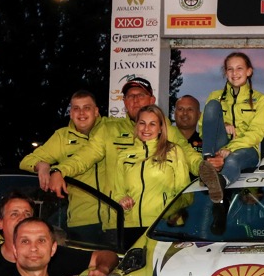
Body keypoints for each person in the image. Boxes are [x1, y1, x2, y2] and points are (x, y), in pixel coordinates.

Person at [47, 77, 201, 210]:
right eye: (130, 96)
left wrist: (204, 168)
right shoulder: (109, 129)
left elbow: (188, 154)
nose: (135, 100)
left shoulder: (166, 128)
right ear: (124, 102)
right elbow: (84, 157)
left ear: (151, 100)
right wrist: (59, 170)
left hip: (159, 221)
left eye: (141, 95)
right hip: (121, 221)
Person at [20, 90, 111, 242]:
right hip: (82, 221)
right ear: (70, 113)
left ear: (96, 111)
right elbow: (26, 161)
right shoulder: (62, 137)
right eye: (76, 108)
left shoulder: (111, 129)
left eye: (87, 107)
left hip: (117, 220)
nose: (81, 113)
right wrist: (42, 166)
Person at [198, 53, 264, 203]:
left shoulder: (260, 99)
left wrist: (231, 148)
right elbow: (203, 127)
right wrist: (223, 125)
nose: (234, 73)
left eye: (239, 68)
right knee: (212, 106)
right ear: (225, 72)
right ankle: (208, 164)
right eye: (230, 69)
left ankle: (219, 183)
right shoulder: (215, 96)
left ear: (249, 71)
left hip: (246, 150)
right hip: (217, 147)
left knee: (232, 159)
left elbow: (256, 133)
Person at [119, 105, 190, 247]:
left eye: (152, 124)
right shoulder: (123, 156)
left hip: (164, 226)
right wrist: (121, 200)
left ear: (160, 128)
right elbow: (117, 192)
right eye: (142, 123)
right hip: (131, 227)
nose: (146, 129)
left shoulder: (174, 151)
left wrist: (172, 214)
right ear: (136, 125)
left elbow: (185, 194)